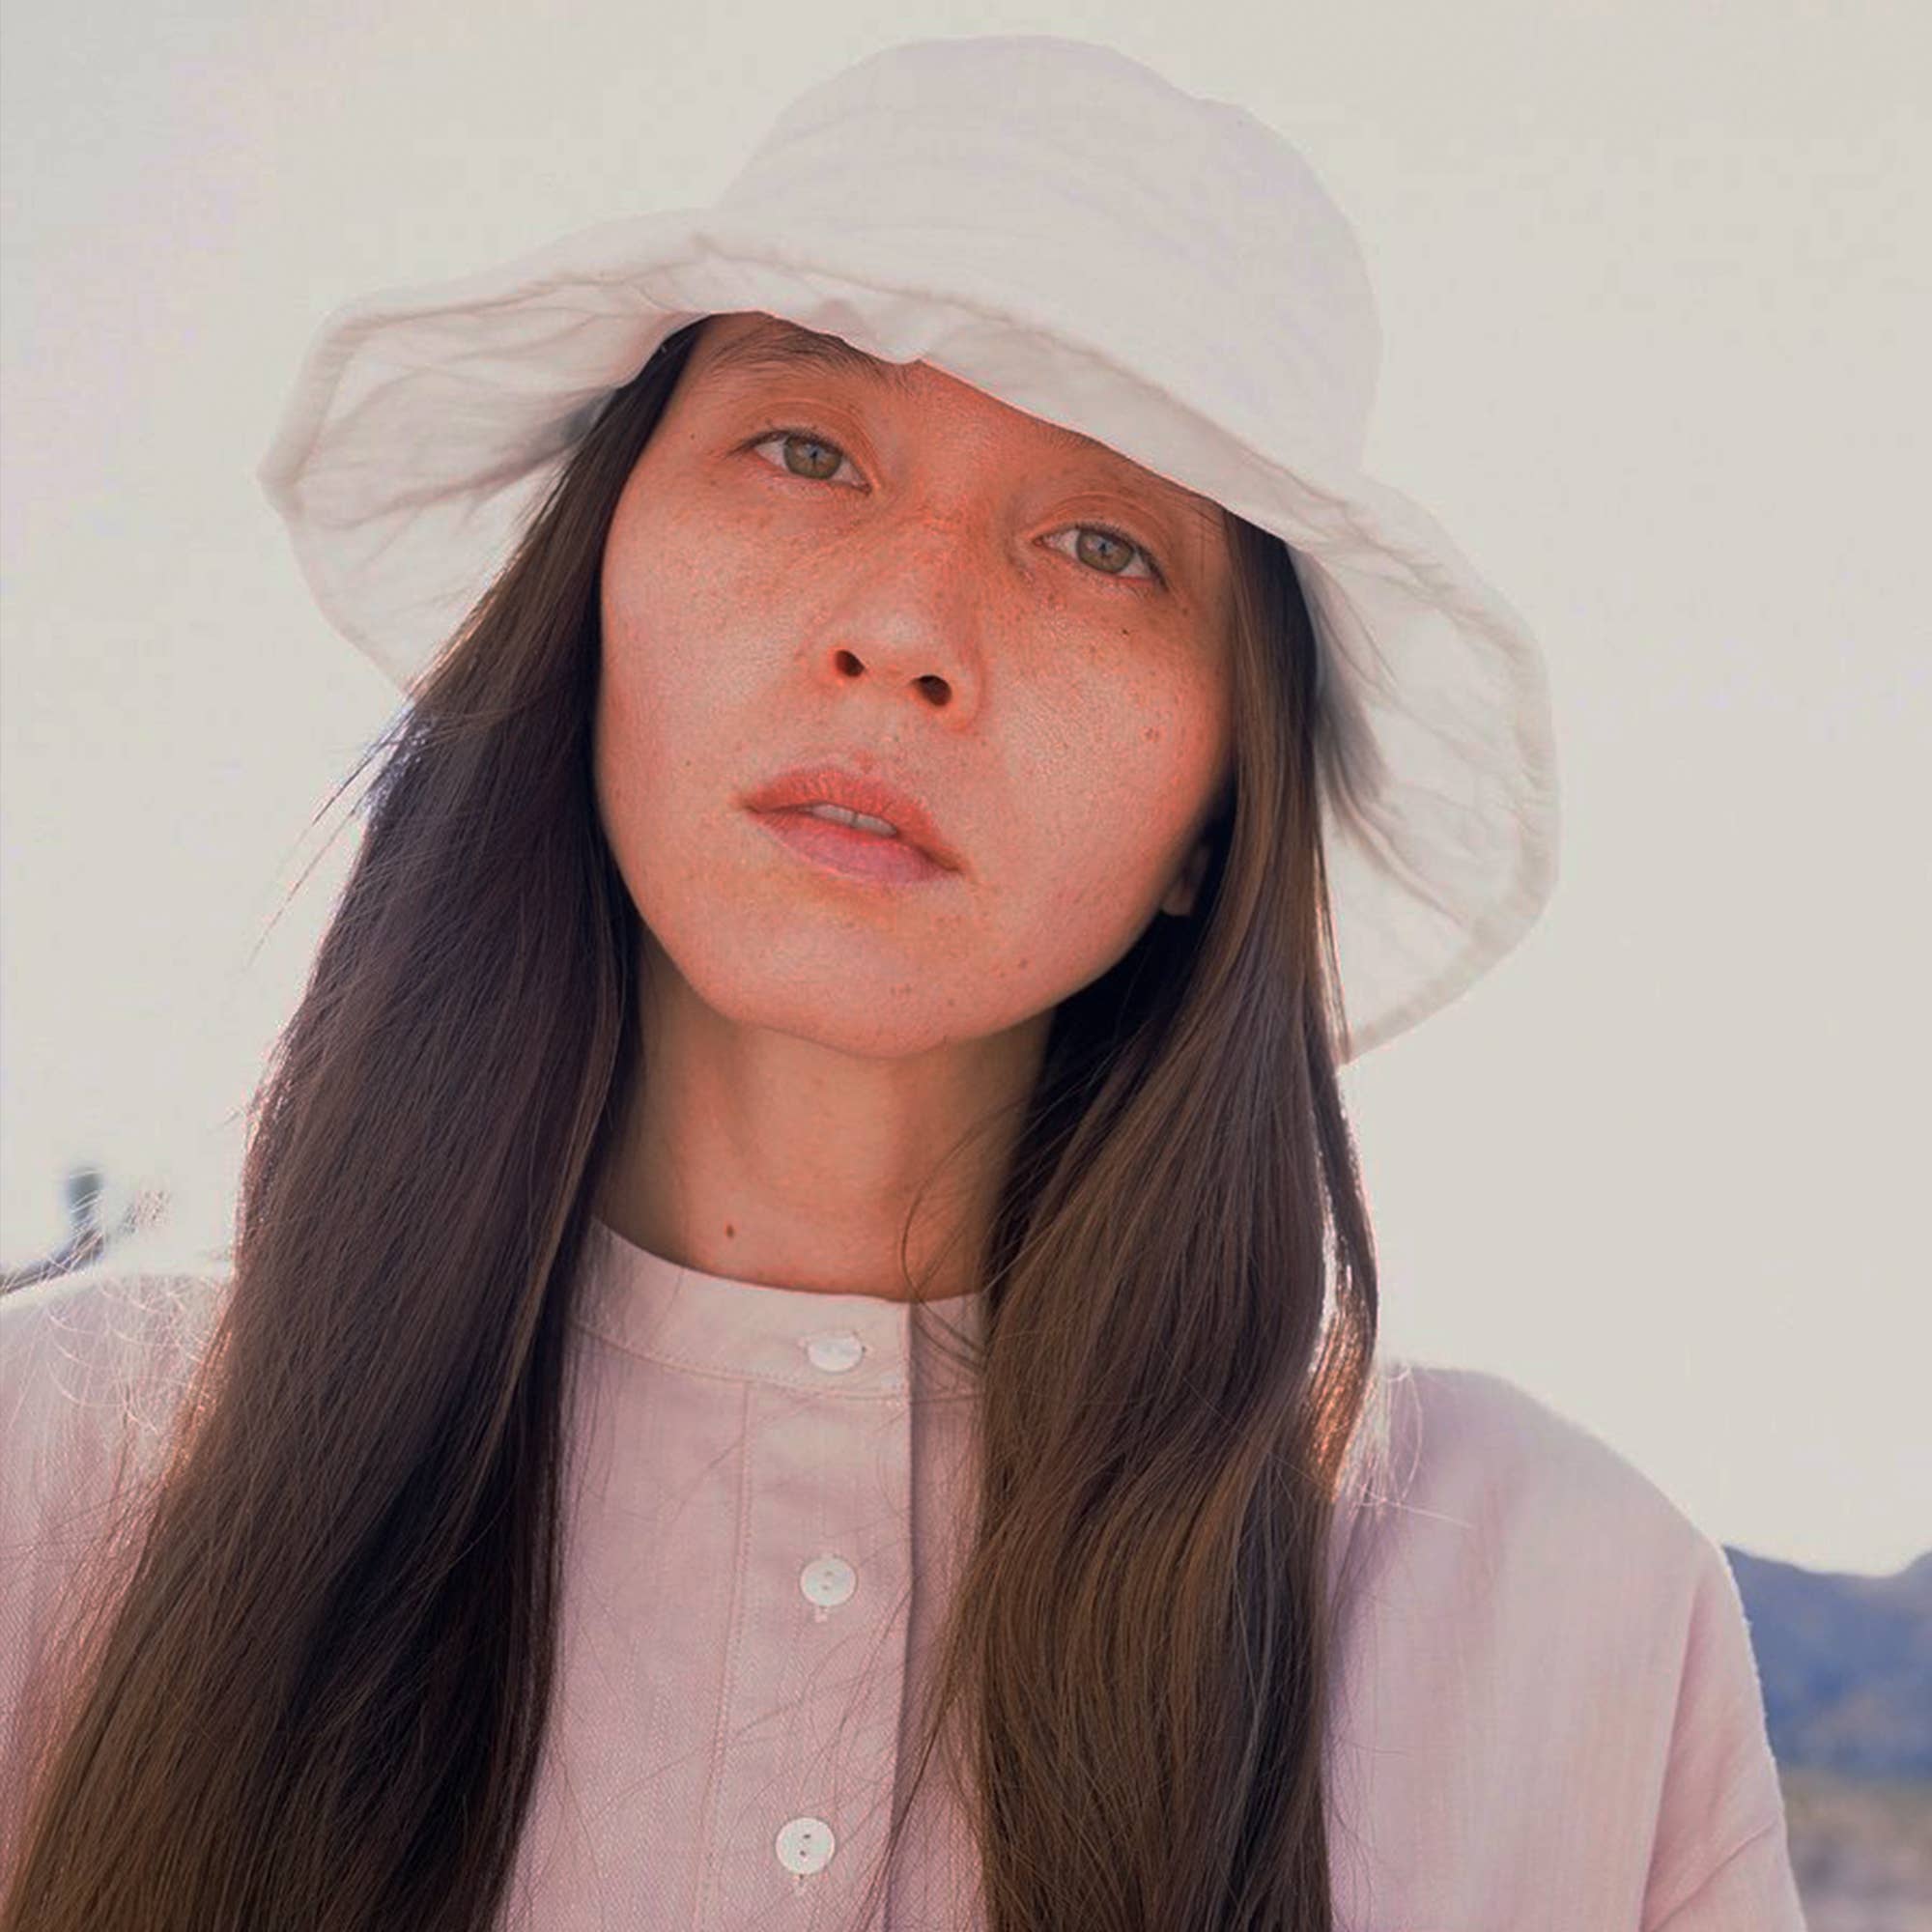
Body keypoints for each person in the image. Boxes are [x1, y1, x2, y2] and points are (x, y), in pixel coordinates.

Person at [0, 33, 1805, 1932]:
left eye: (1103, 546)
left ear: (1223, 807)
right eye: (804, 450)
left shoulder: (1562, 1621)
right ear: (597, 577)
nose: (906, 627)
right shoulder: (64, 1468)